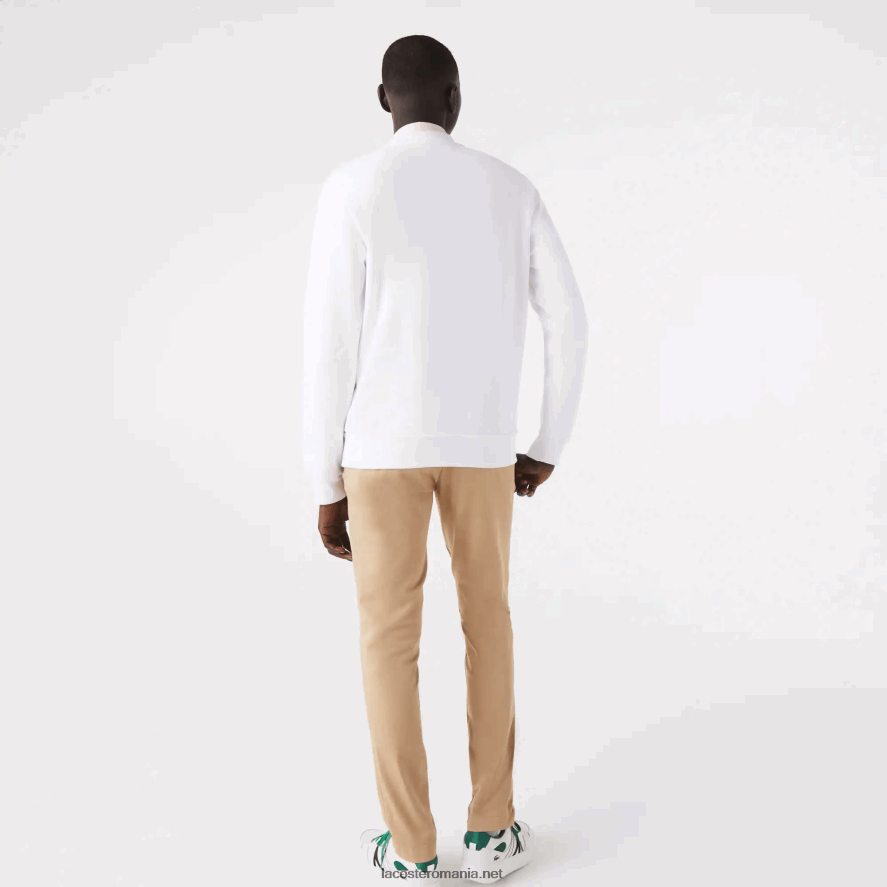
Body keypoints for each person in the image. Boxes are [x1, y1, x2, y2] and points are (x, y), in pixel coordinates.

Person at [302, 34, 588, 880]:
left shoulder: (351, 187)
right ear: (456, 98)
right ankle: (493, 832)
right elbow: (569, 321)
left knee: (387, 643)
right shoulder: (510, 188)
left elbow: (327, 344)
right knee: (486, 624)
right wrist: (545, 443)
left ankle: (412, 850)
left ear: (382, 100)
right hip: (482, 448)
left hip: (378, 452)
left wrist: (323, 479)